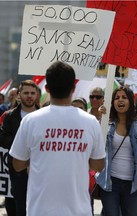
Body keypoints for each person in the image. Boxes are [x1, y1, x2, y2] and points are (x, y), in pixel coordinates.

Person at [9, 61, 106, 216]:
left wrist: (39, 155)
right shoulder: (90, 122)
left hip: (40, 210)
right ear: (73, 88)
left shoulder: (31, 120)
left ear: (46, 88)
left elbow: (18, 164)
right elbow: (98, 165)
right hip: (78, 210)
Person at [96, 86, 137, 216]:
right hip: (110, 181)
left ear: (130, 101)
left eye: (124, 97)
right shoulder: (107, 123)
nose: (120, 100)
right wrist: (101, 119)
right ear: (112, 103)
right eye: (117, 98)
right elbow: (97, 146)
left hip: (132, 184)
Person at [0, 80, 38, 216]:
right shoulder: (10, 116)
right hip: (18, 170)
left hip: (40, 169)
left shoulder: (44, 115)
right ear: (19, 95)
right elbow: (3, 139)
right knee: (20, 208)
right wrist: (23, 142)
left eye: (32, 93)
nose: (29, 96)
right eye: (26, 93)